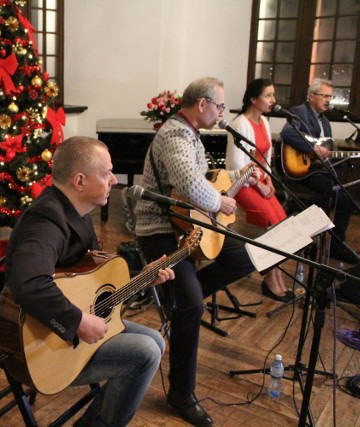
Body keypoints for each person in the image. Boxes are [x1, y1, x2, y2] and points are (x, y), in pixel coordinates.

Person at [4, 136, 175, 427]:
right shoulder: (46, 220)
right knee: (145, 354)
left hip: (67, 323)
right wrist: (78, 322)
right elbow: (28, 283)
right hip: (44, 345)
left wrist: (142, 279)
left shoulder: (77, 212)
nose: (114, 179)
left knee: (155, 340)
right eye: (106, 173)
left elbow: (91, 281)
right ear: (79, 181)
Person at [135, 77, 256, 427]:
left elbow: (201, 179)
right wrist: (222, 201)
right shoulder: (175, 134)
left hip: (188, 225)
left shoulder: (192, 135)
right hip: (160, 229)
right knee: (190, 305)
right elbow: (189, 184)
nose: (222, 113)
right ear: (202, 104)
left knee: (244, 257)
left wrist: (239, 177)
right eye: (220, 106)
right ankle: (180, 395)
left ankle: (184, 298)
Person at [280, 78, 360, 264]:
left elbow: (325, 148)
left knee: (344, 195)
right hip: (302, 168)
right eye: (324, 95)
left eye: (330, 96)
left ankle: (335, 241)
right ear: (311, 96)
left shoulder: (325, 121)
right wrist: (312, 149)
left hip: (318, 168)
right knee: (334, 193)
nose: (328, 100)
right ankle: (300, 211)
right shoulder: (300, 111)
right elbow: (288, 133)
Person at [225, 78, 292, 301]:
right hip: (243, 185)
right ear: (253, 99)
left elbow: (266, 157)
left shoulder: (264, 121)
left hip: (262, 183)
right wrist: (258, 184)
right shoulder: (239, 124)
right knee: (272, 225)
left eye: (273, 95)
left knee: (283, 224)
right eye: (268, 95)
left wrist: (269, 180)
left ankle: (276, 276)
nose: (273, 100)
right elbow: (236, 166)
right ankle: (270, 279)